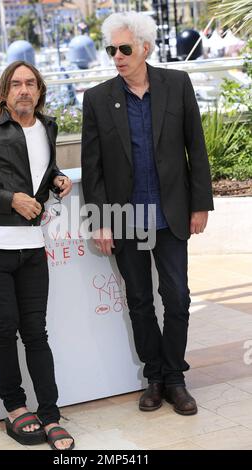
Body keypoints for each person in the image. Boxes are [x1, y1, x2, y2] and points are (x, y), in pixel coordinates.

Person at [81, 12, 214, 416]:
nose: (117, 57)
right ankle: (154, 378)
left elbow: (197, 145)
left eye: (124, 49)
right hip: (125, 217)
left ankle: (175, 378)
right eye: (111, 50)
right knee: (139, 301)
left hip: (171, 213)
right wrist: (100, 219)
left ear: (145, 48)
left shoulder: (177, 84)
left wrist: (200, 203)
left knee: (177, 298)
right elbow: (93, 168)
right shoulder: (98, 98)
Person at [0, 61, 75, 450]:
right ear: (5, 91)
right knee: (6, 328)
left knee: (36, 331)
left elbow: (40, 168)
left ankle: (51, 413)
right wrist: (11, 200)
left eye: (31, 84)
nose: (24, 90)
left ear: (39, 91)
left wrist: (56, 179)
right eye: (16, 84)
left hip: (33, 247)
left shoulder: (47, 127)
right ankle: (15, 407)